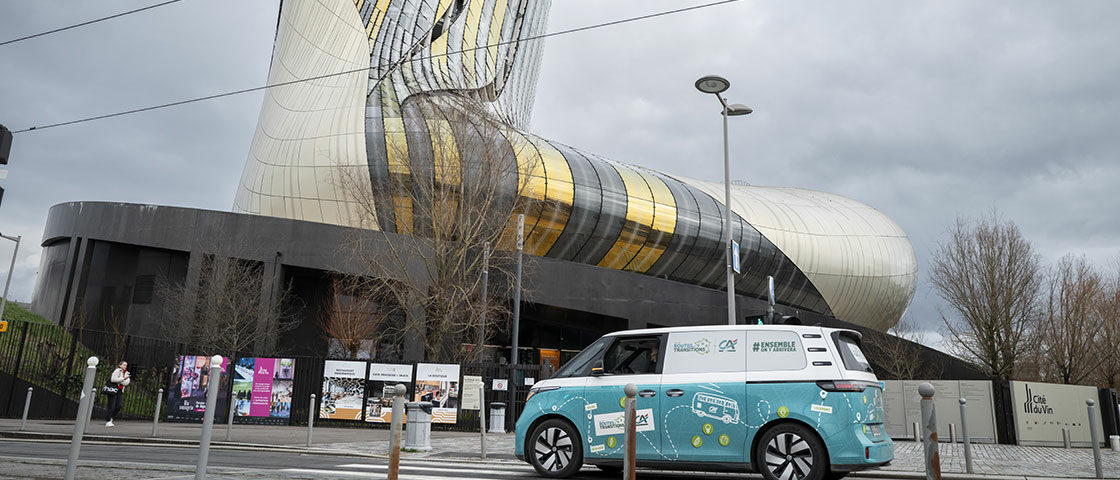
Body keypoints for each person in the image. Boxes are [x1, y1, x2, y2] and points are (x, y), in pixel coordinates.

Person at [106, 361, 131, 427]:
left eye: (126, 365)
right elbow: (113, 379)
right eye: (124, 365)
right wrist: (123, 379)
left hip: (120, 390)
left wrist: (121, 380)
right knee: (111, 405)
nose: (125, 366)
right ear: (120, 365)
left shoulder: (127, 373)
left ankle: (112, 417)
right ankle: (108, 421)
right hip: (113, 389)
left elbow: (126, 383)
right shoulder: (117, 371)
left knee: (119, 405)